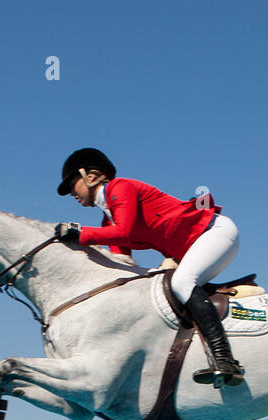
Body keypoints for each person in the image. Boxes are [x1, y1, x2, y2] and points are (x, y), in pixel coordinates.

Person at [54, 148, 245, 387]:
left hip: (213, 232)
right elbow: (121, 265)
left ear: (91, 177)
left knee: (182, 282)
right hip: (191, 246)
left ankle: (225, 360)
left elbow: (125, 231)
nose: (72, 193)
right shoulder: (107, 219)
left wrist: (80, 233)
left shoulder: (120, 188)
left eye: (73, 184)